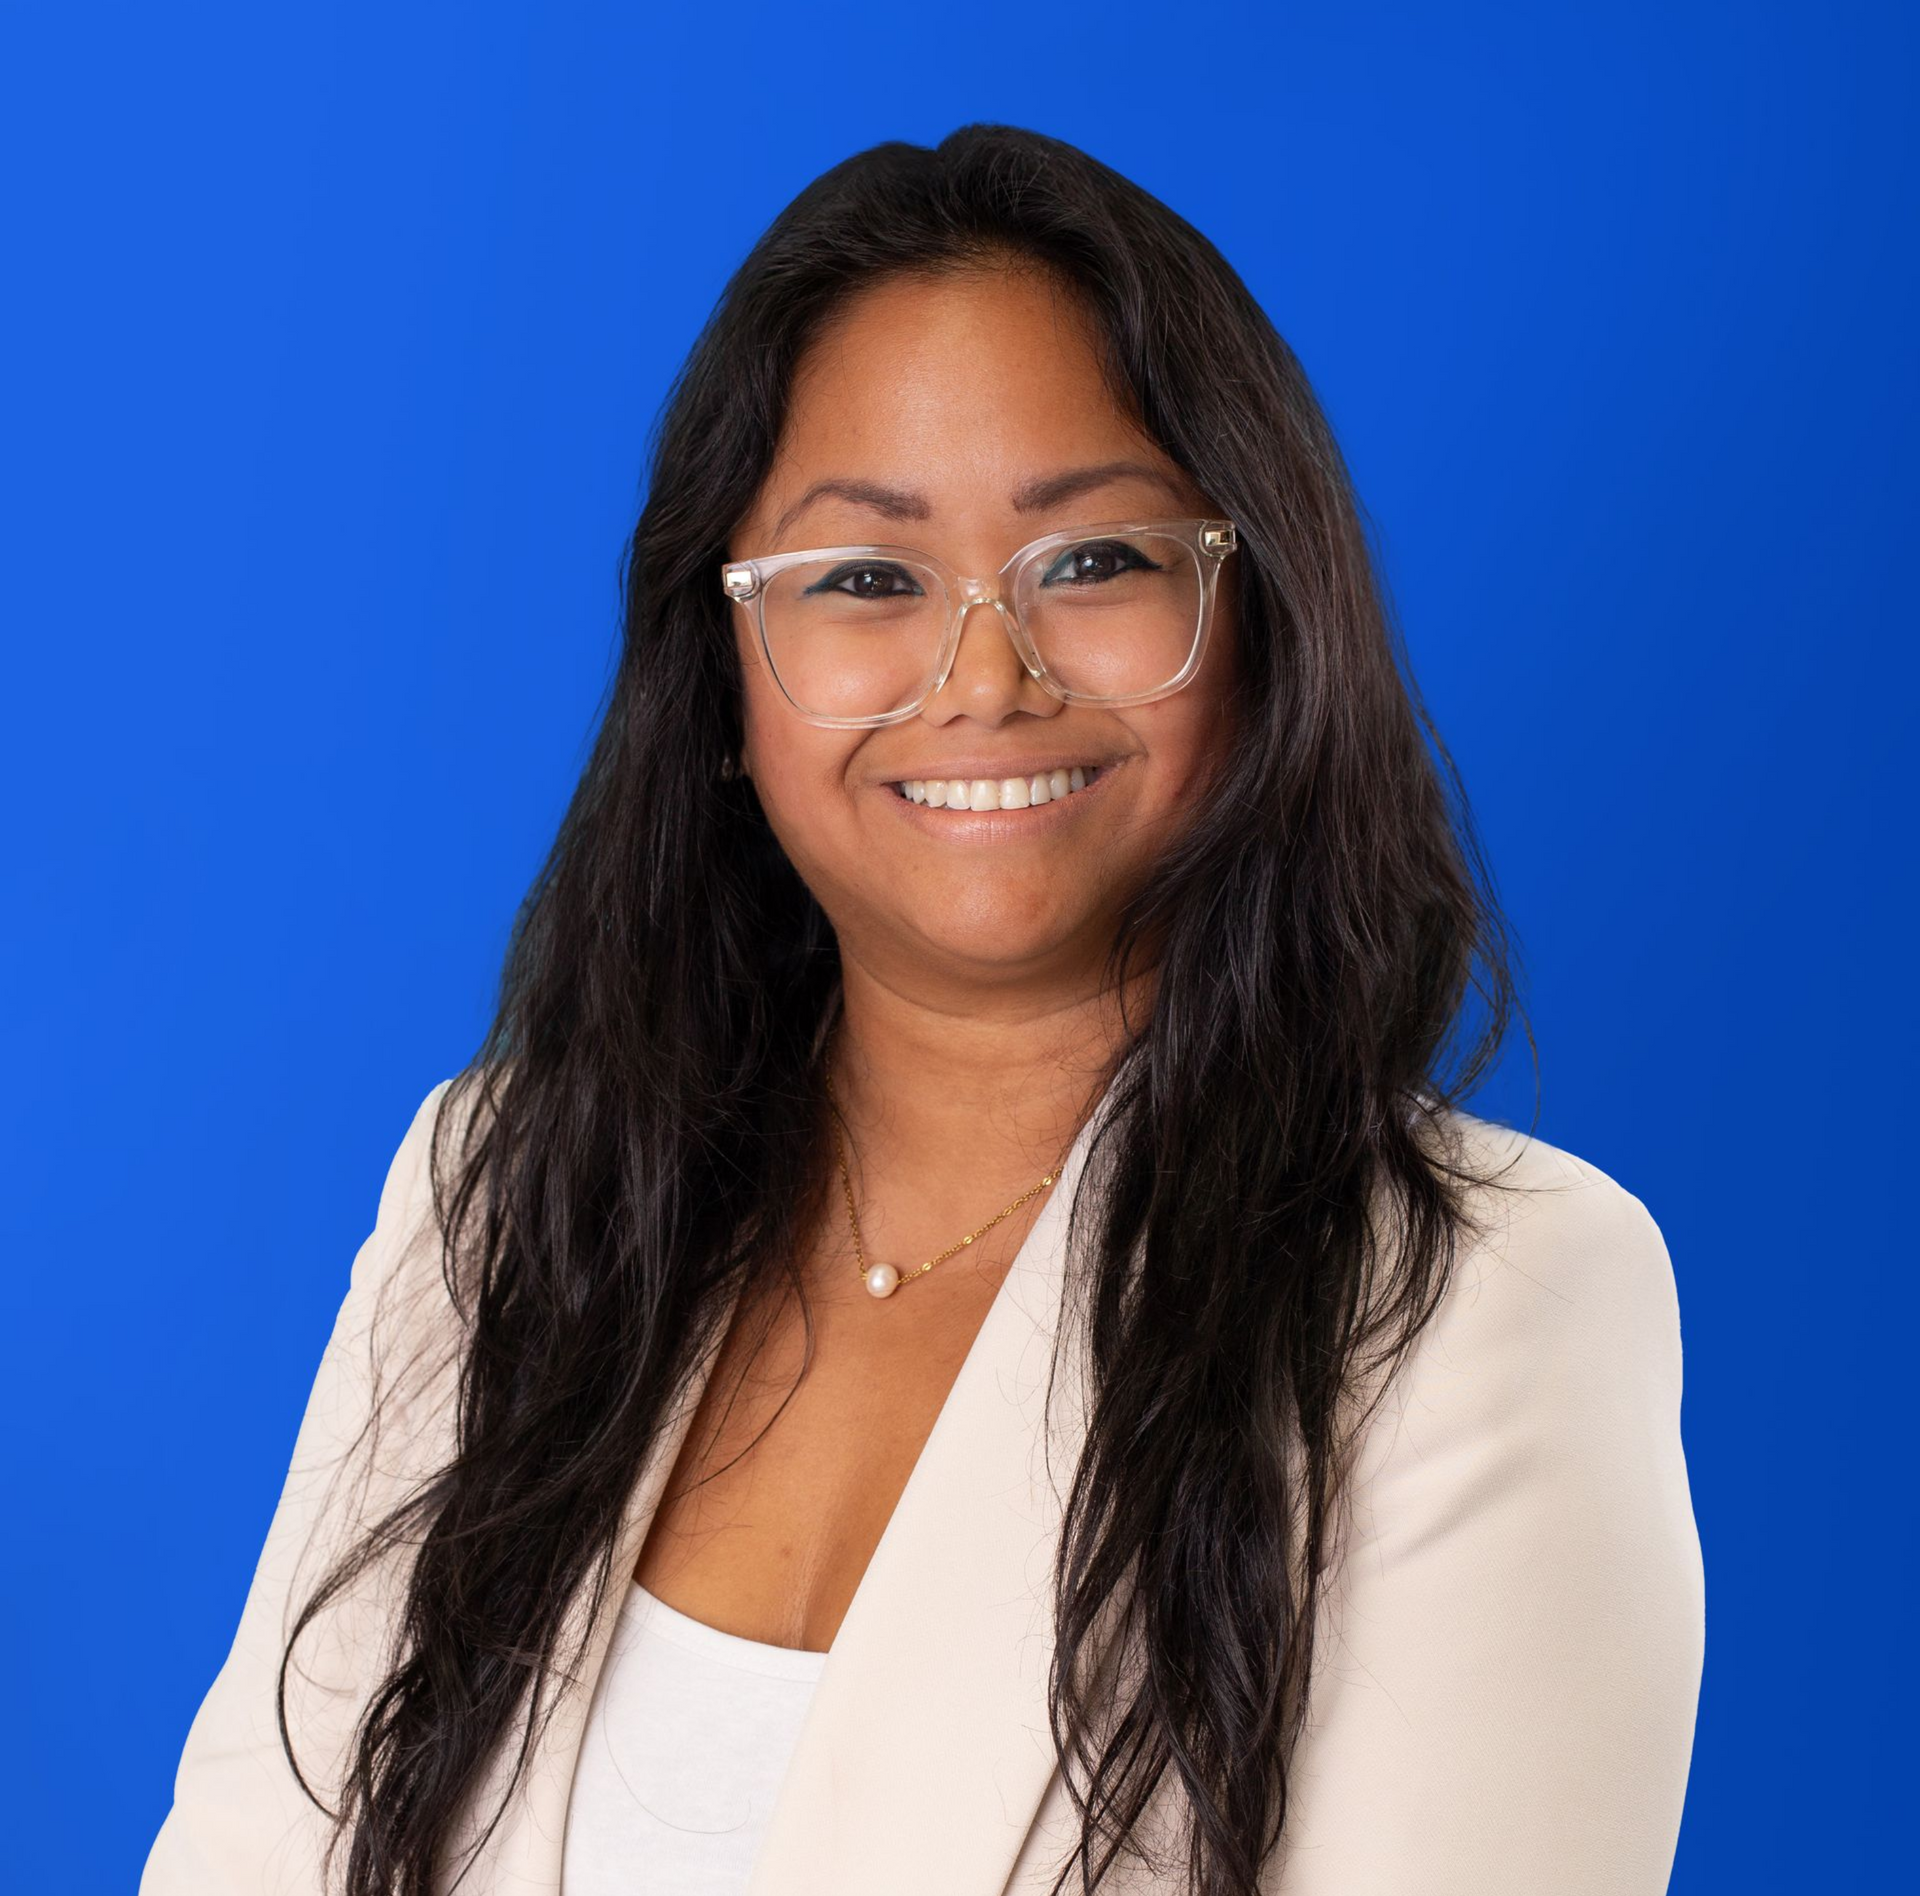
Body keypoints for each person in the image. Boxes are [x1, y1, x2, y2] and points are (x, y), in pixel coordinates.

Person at [141, 124, 1705, 1896]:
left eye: (1097, 562)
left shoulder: (1480, 1302)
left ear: (1260, 615)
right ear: (721, 672)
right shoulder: (505, 1193)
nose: (985, 676)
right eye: (868, 579)